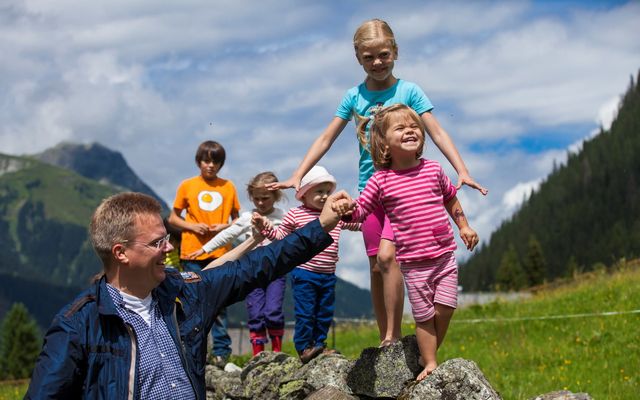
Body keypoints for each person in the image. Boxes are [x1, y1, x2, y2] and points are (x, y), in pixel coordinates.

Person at [268, 18, 487, 347]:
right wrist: (299, 173)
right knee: (376, 265)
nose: (377, 63)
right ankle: (389, 334)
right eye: (369, 57)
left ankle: (402, 335)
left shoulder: (409, 91)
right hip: (373, 189)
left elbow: (437, 131)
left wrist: (462, 169)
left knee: (392, 259)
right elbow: (327, 137)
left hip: (405, 191)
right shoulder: (353, 97)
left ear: (395, 52)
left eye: (384, 55)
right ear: (358, 58)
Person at [26, 191, 344, 399]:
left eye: (167, 239)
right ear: (121, 253)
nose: (169, 249)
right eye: (156, 243)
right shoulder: (77, 325)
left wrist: (322, 224)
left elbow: (259, 265)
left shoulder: (186, 292)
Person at [332, 104, 479, 380]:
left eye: (414, 126)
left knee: (445, 308)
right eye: (400, 128)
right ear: (385, 144)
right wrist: (346, 209)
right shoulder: (381, 180)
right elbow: (362, 210)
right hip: (413, 263)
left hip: (444, 254)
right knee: (424, 316)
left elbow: (450, 199)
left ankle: (426, 351)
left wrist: (464, 226)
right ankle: (430, 361)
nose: (410, 130)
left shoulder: (434, 170)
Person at [256, 166, 360, 364]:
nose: (324, 196)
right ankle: (304, 347)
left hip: (328, 274)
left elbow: (358, 224)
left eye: (327, 192)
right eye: (318, 191)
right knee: (306, 312)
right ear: (304, 195)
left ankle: (320, 344)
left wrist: (370, 218)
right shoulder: (295, 215)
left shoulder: (335, 214)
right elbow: (279, 236)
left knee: (324, 312)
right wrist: (266, 229)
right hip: (304, 272)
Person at [187, 172, 288, 356]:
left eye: (265, 198)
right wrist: (205, 249)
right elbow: (228, 234)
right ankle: (258, 355)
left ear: (276, 196)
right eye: (256, 199)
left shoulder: (284, 217)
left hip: (276, 272)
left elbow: (295, 239)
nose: (260, 203)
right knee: (255, 312)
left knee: (273, 310)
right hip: (252, 271)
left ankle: (276, 352)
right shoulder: (248, 217)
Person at [168, 140, 240, 367]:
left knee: (220, 303)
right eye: (206, 160)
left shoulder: (228, 187)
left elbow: (239, 219)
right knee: (192, 301)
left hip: (221, 252)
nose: (210, 165)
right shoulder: (187, 186)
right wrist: (191, 227)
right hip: (191, 253)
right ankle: (192, 349)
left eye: (215, 161)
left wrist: (223, 227)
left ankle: (221, 352)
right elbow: (172, 218)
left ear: (221, 164)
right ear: (199, 161)